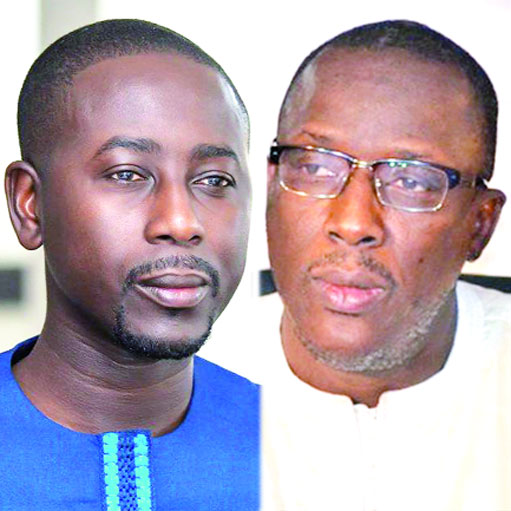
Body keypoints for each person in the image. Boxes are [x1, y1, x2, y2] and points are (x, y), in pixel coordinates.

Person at [1, 19, 258, 510]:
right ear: (30, 204)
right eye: (127, 174)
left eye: (215, 180)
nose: (181, 222)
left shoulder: (315, 460)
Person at [262, 20, 510, 510]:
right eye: (315, 166)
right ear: (272, 186)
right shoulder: (170, 380)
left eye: (412, 180)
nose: (354, 223)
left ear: (479, 225)